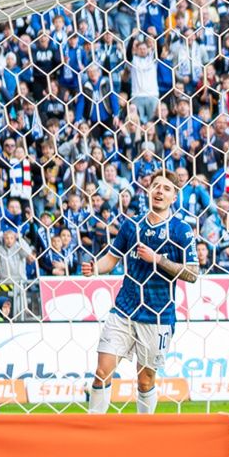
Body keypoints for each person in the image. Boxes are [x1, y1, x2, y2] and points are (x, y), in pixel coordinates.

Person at [85, 171, 198, 415]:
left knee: (145, 381)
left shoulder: (181, 230)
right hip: (124, 309)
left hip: (157, 316)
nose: (159, 191)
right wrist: (96, 267)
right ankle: (92, 430)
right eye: (156, 186)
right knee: (102, 372)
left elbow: (192, 273)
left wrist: (157, 259)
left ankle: (145, 432)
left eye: (166, 188)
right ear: (148, 191)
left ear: (174, 197)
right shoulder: (132, 225)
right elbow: (111, 259)